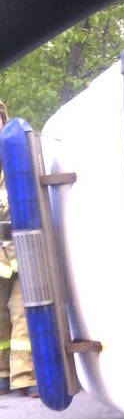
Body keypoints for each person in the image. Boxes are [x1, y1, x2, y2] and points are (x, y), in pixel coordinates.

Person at [0, 101, 37, 398]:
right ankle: (2, 374)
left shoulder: (16, 158)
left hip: (21, 252)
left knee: (23, 310)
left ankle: (26, 376)